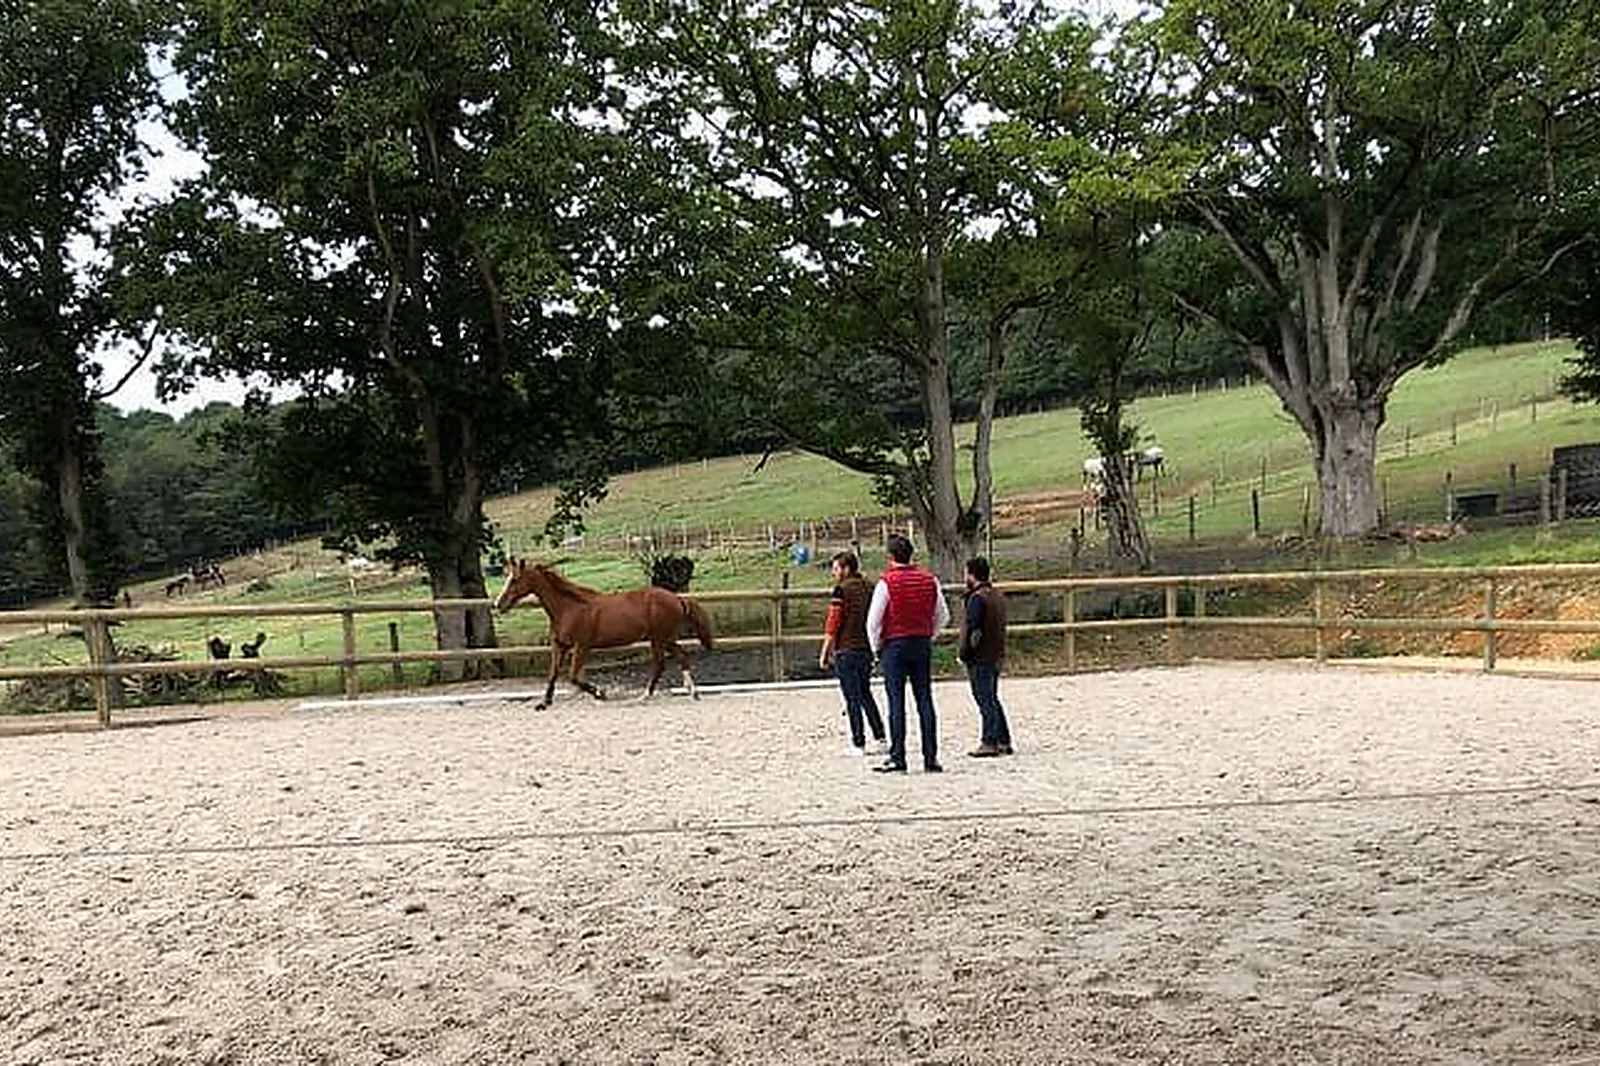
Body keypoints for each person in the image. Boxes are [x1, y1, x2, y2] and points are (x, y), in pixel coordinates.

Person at [866, 533, 950, 773]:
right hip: (920, 643)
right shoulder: (929, 580)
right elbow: (943, 616)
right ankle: (930, 757)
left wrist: (876, 648)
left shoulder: (887, 583)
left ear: (890, 556)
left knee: (896, 701)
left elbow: (873, 622)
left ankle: (898, 756)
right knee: (925, 699)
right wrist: (928, 634)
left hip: (895, 645)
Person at [818, 551, 887, 755]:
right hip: (865, 648)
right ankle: (880, 736)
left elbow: (833, 622)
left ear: (846, 569)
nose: (834, 573)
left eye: (836, 568)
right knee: (865, 693)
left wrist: (825, 650)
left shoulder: (841, 591)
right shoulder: (869, 587)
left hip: (846, 648)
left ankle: (858, 742)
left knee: (852, 696)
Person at [960, 556, 1012, 757]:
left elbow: (974, 631)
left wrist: (965, 653)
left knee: (984, 699)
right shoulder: (996, 595)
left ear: (971, 574)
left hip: (981, 656)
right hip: (996, 653)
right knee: (992, 697)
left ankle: (989, 740)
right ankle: (1003, 739)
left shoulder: (977, 599)